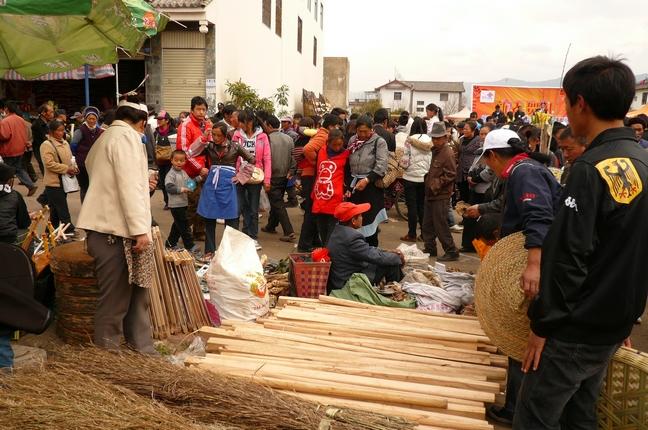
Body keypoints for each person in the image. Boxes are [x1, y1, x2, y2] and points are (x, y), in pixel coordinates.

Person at [513, 56, 648, 429]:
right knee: (581, 416)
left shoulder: (590, 169)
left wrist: (542, 325)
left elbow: (569, 258)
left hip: (574, 327)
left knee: (536, 417)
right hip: (614, 324)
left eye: (568, 102)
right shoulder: (643, 160)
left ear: (581, 103)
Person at [477, 128, 561, 425]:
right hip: (532, 257)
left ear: (495, 155)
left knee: (522, 332)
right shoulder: (527, 169)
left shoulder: (523, 173)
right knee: (522, 333)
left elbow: (538, 216)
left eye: (488, 161)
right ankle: (516, 405)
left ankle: (517, 409)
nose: (489, 168)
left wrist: (533, 265)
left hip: (535, 262)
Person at [77, 98, 157, 355]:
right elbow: (129, 185)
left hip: (111, 229)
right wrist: (139, 229)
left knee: (135, 295)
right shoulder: (127, 137)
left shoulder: (104, 137)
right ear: (141, 123)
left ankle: (141, 348)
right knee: (116, 299)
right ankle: (108, 356)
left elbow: (95, 169)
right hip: (115, 231)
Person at [199, 122, 254, 258]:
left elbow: (252, 159)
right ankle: (209, 251)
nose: (215, 137)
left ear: (225, 135)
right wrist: (203, 138)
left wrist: (241, 176)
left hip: (229, 184)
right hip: (212, 184)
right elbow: (191, 152)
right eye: (214, 134)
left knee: (231, 218)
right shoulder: (209, 145)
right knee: (209, 217)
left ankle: (229, 252)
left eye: (219, 135)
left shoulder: (235, 146)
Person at [327, 202, 404, 292]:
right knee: (392, 263)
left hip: (339, 277)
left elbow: (368, 250)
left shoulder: (337, 230)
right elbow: (374, 256)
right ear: (353, 221)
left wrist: (388, 251)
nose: (362, 218)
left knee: (390, 258)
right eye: (360, 216)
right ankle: (396, 294)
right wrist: (397, 257)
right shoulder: (352, 237)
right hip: (348, 282)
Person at [299, 113, 342, 251]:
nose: (338, 128)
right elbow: (307, 149)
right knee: (311, 213)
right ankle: (305, 245)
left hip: (313, 175)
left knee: (313, 212)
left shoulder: (321, 134)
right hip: (311, 175)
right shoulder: (324, 135)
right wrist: (317, 162)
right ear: (330, 126)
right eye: (336, 126)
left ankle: (312, 241)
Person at [232, 109, 271, 250]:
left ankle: (253, 237)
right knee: (240, 207)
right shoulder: (236, 135)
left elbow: (267, 158)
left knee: (254, 209)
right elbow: (233, 155)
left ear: (249, 122)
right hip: (239, 176)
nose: (239, 124)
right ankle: (244, 233)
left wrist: (267, 179)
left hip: (255, 176)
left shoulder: (262, 137)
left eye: (241, 121)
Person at [346, 115, 388, 247]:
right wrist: (348, 185)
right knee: (353, 219)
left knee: (369, 220)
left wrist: (367, 179)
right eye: (360, 131)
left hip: (371, 187)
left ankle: (371, 250)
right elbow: (348, 162)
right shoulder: (353, 140)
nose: (362, 134)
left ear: (371, 129)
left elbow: (381, 165)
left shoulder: (379, 142)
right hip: (355, 185)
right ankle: (356, 249)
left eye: (365, 131)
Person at [422, 122, 460, 261]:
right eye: (434, 138)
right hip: (430, 193)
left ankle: (451, 250)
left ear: (445, 137)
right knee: (427, 224)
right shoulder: (435, 150)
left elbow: (451, 174)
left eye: (438, 138)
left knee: (440, 225)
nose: (435, 140)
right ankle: (430, 248)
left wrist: (435, 185)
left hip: (440, 195)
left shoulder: (447, 152)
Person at [176, 96, 212, 241]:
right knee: (191, 202)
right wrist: (199, 168)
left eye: (204, 109)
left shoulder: (206, 124)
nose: (201, 112)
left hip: (205, 171)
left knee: (204, 201)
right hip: (190, 174)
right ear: (192, 110)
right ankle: (181, 232)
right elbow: (183, 152)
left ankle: (199, 231)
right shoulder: (185, 125)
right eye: (198, 109)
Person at [311, 129, 349, 245]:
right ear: (328, 143)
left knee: (332, 231)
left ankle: (329, 253)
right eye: (334, 145)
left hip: (335, 197)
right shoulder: (321, 152)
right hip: (320, 195)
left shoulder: (346, 155)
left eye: (339, 144)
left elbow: (347, 176)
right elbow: (317, 172)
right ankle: (324, 251)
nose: (337, 147)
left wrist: (346, 191)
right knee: (322, 228)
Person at [262, 115, 296, 242]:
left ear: (269, 126)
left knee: (277, 203)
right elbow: (293, 157)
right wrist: (291, 170)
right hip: (285, 175)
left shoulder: (267, 139)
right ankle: (271, 225)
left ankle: (289, 231)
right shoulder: (288, 138)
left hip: (272, 175)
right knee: (277, 201)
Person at [461, 123, 495, 252]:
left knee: (483, 220)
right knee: (469, 217)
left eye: (485, 134)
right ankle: (468, 244)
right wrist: (470, 176)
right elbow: (473, 165)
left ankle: (480, 246)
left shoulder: (492, 150)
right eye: (481, 134)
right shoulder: (480, 149)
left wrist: (476, 179)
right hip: (474, 188)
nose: (483, 136)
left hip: (485, 189)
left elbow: (490, 171)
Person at [40, 119, 78, 233]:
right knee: (62, 209)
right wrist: (66, 169)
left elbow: (70, 158)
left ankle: (50, 231)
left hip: (64, 181)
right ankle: (69, 229)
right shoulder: (47, 145)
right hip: (53, 183)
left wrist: (74, 167)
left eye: (63, 130)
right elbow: (49, 164)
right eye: (59, 130)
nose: (62, 133)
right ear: (51, 132)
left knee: (55, 211)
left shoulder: (65, 142)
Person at [399, 117, 432, 242]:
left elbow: (405, 159)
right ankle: (424, 234)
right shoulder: (430, 140)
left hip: (410, 178)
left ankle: (412, 234)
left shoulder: (409, 140)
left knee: (412, 207)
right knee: (422, 206)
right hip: (425, 177)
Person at [164, 150, 199, 253]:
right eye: (176, 160)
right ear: (171, 161)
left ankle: (170, 244)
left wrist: (198, 179)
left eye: (181, 160)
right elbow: (169, 188)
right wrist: (182, 189)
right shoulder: (171, 174)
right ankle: (190, 246)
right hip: (175, 205)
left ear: (185, 162)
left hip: (183, 203)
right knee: (184, 226)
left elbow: (190, 185)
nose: (179, 162)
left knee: (177, 225)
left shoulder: (183, 173)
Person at [0, 102, 37, 196]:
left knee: (8, 170)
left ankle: (7, 190)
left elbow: (4, 136)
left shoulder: (5, 121)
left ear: (6, 109)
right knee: (18, 169)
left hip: (9, 149)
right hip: (20, 148)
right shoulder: (21, 119)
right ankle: (30, 185)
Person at [71, 106, 103, 202]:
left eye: (94, 119)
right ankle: (84, 207)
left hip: (95, 163)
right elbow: (73, 144)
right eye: (90, 118)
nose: (92, 121)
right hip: (82, 163)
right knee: (84, 186)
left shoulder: (100, 131)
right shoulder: (80, 130)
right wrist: (73, 158)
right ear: (85, 118)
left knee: (94, 187)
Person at [0, 163, 30, 245]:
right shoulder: (15, 195)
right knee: (28, 233)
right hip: (7, 239)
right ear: (8, 180)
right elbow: (24, 223)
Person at [153, 110, 176, 209]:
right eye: (157, 119)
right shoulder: (156, 132)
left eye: (160, 119)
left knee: (169, 181)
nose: (158, 121)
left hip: (171, 162)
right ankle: (167, 202)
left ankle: (172, 202)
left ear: (167, 120)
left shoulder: (174, 132)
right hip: (160, 162)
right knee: (162, 182)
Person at [456, 121, 481, 205]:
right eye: (464, 129)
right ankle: (464, 215)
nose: (464, 131)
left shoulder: (478, 140)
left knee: (471, 196)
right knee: (463, 195)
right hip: (461, 171)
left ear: (473, 130)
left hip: (470, 171)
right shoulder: (461, 139)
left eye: (467, 129)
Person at [31, 103, 54, 176]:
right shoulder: (37, 125)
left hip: (49, 150)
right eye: (51, 112)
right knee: (46, 171)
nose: (52, 114)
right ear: (43, 113)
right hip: (41, 151)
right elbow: (43, 140)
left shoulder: (48, 123)